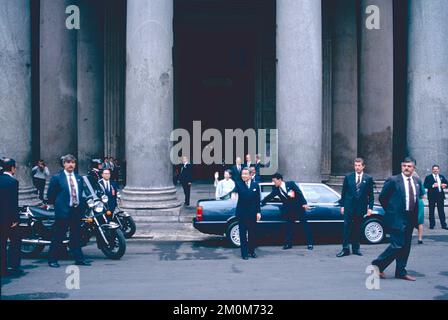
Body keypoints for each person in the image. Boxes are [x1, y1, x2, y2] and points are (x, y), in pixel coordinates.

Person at [371, 157, 424, 281]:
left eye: (409, 166)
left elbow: (417, 200)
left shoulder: (416, 181)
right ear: (401, 166)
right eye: (404, 165)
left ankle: (401, 271)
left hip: (410, 218)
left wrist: (416, 220)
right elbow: (383, 198)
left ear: (413, 168)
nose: (406, 168)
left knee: (406, 246)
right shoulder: (393, 180)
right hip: (396, 218)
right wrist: (391, 212)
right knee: (397, 245)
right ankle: (377, 264)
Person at [47, 154, 90, 268]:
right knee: (59, 236)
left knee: (76, 236)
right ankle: (52, 259)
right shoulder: (57, 178)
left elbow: (80, 193)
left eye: (73, 162)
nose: (71, 164)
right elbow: (51, 195)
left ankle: (79, 259)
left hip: (76, 210)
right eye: (68, 162)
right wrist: (58, 206)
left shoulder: (79, 178)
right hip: (63, 211)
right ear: (64, 164)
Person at [261, 173, 313, 250]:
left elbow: (299, 193)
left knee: (304, 226)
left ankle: (310, 243)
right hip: (289, 211)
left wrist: (304, 203)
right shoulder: (276, 189)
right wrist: (262, 202)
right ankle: (288, 244)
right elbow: (270, 196)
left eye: (274, 181)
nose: (273, 182)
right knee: (289, 227)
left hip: (299, 209)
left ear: (279, 180)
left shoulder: (291, 184)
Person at [336, 158, 374, 257]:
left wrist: (370, 208)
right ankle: (345, 249)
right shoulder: (348, 177)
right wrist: (342, 206)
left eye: (359, 165)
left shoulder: (368, 178)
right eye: (355, 165)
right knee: (346, 228)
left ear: (363, 166)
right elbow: (343, 193)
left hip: (360, 207)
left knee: (357, 228)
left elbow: (371, 195)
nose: (357, 167)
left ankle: (356, 249)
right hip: (349, 207)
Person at [231, 168, 261, 260]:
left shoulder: (256, 185)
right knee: (243, 234)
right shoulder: (239, 184)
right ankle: (244, 254)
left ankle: (251, 251)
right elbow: (234, 191)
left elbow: (257, 200)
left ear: (250, 175)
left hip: (252, 213)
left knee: (252, 233)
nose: (243, 175)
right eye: (242, 174)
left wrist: (258, 212)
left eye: (245, 174)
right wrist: (233, 194)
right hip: (242, 213)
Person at [0, 158, 24, 276]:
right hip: (9, 220)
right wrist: (15, 219)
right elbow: (13, 203)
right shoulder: (13, 182)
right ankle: (14, 267)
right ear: (13, 168)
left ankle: (2, 268)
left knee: (1, 244)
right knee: (15, 243)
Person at [423, 165, 448, 230]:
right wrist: (433, 185)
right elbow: (425, 185)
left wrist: (445, 185)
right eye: (434, 169)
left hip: (440, 196)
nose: (435, 170)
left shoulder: (441, 177)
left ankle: (444, 225)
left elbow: (447, 184)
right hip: (432, 196)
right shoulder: (428, 177)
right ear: (432, 170)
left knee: (441, 211)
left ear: (439, 170)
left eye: (437, 169)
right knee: (431, 211)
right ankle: (432, 225)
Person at [413, 168, 426, 244]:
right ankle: (420, 239)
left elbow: (423, 194)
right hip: (418, 202)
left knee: (417, 221)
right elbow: (423, 194)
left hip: (415, 202)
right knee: (419, 222)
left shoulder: (417, 182)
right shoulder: (419, 181)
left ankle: (419, 238)